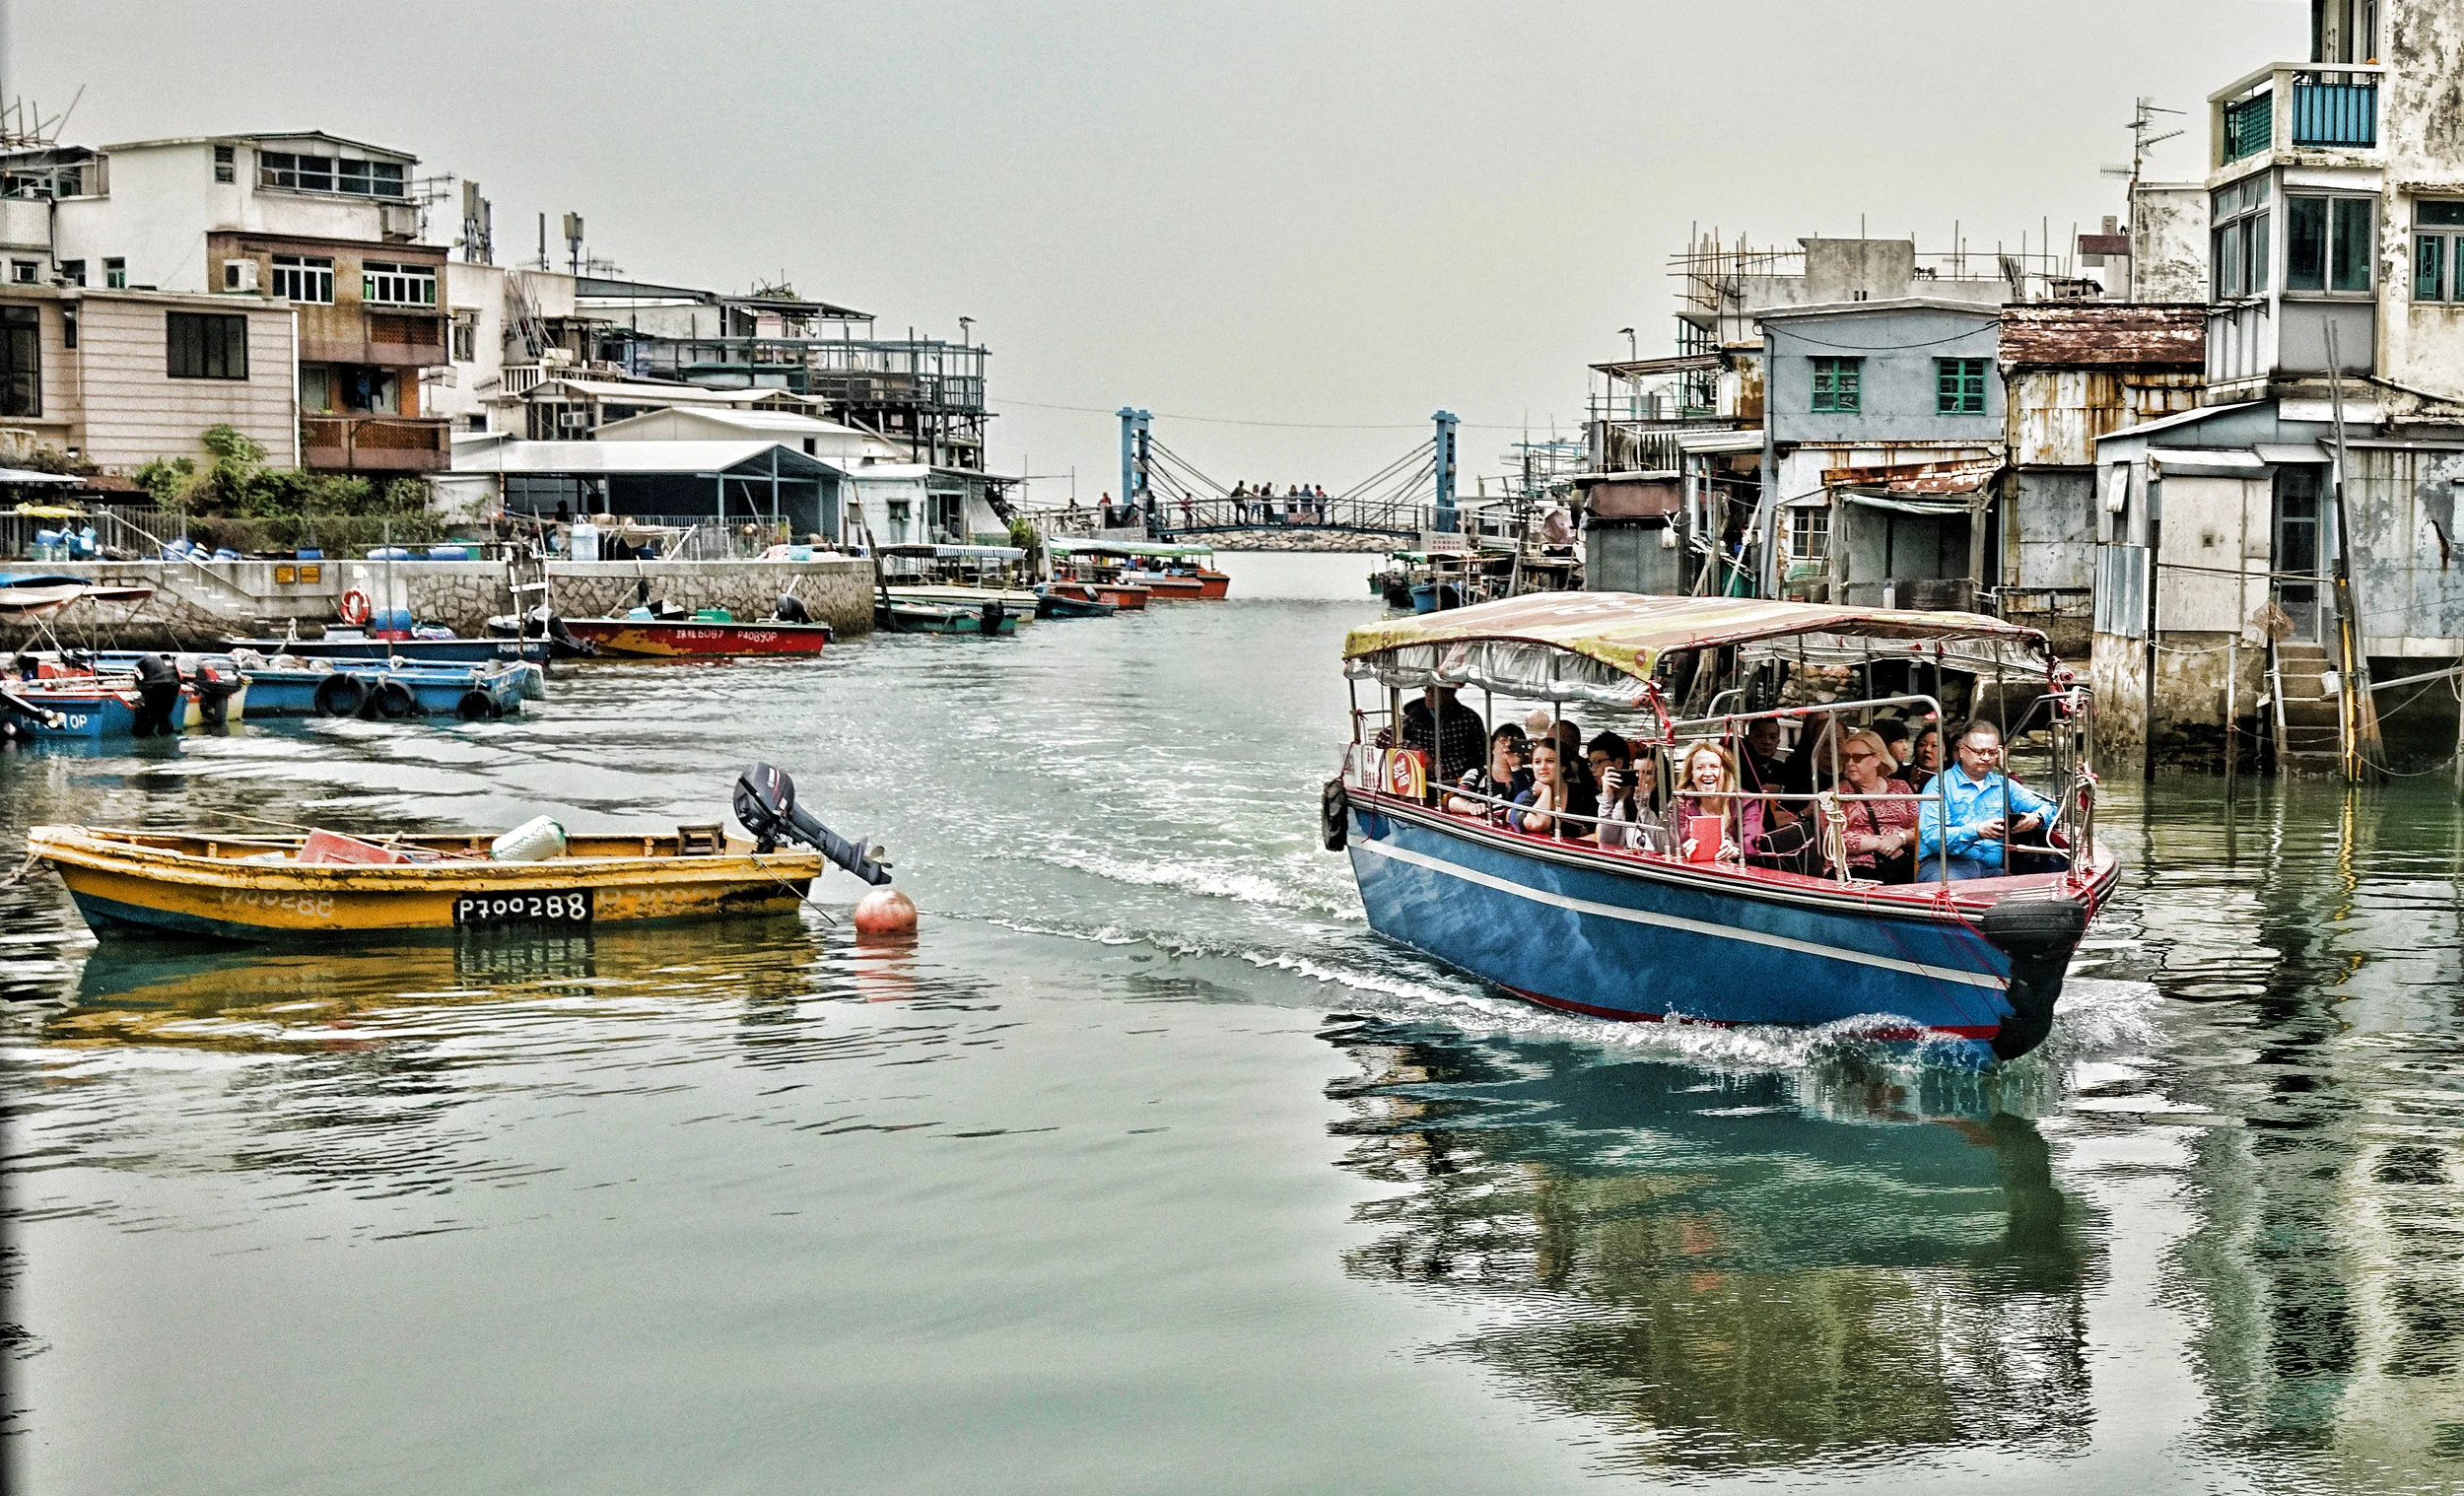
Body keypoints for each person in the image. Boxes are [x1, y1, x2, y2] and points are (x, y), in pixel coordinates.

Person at [1915, 719, 2057, 881]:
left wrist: (2037, 818)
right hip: (1945, 865)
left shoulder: (2004, 785)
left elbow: (2051, 807)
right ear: (1962, 750)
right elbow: (1933, 837)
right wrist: (1976, 831)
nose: (1986, 758)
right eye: (1980, 752)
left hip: (1992, 869)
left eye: (1992, 752)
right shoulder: (1939, 785)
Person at [1837, 728, 1918, 883]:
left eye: (1858, 757)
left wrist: (1900, 838)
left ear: (1877, 759)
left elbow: (1920, 827)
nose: (1850, 763)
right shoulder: (1837, 794)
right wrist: (1881, 843)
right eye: (1846, 757)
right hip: (1855, 866)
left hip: (1900, 862)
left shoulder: (1901, 788)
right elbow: (1834, 838)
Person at [1663, 740, 1745, 861]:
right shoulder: (1680, 803)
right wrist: (1686, 847)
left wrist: (1735, 849)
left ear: (1725, 772)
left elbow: (1751, 839)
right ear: (1691, 775)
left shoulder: (1744, 800)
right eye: (1700, 768)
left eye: (1714, 767)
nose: (1707, 773)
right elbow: (1676, 840)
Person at [1587, 731, 1665, 851]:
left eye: (1648, 773)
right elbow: (1606, 839)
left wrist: (1643, 805)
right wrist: (1607, 798)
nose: (1641, 778)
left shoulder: (1671, 806)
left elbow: (1663, 846)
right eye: (1637, 773)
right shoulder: (1625, 804)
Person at [1396, 684, 1487, 786]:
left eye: (1434, 692)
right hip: (1424, 779)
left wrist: (1475, 775)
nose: (1428, 695)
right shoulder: (1415, 716)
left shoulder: (1469, 718)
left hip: (1461, 779)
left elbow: (1484, 753)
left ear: (1449, 694)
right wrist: (1416, 749)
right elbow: (1384, 737)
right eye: (1427, 689)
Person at [1510, 737, 1596, 838]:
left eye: (1549, 761)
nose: (1543, 767)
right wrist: (1546, 791)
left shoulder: (1582, 795)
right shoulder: (1525, 797)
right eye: (1537, 762)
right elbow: (1538, 824)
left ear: (1563, 767)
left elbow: (1599, 831)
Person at [1448, 724, 1530, 818]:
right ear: (1492, 746)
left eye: (1515, 743)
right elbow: (1453, 802)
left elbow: (1525, 805)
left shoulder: (1529, 775)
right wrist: (1470, 806)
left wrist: (1516, 767)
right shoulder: (1477, 774)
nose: (1508, 746)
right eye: (1503, 740)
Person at [1903, 723, 1942, 794]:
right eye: (1922, 745)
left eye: (1934, 745)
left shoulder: (1952, 779)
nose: (1927, 749)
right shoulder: (1901, 777)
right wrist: (1910, 785)